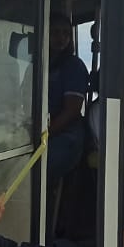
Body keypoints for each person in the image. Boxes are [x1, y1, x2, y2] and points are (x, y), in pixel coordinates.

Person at [45, 11, 91, 195]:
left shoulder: (74, 66)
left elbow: (72, 110)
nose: (61, 38)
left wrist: (45, 134)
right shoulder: (41, 64)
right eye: (55, 32)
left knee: (39, 164)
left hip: (66, 136)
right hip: (44, 132)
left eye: (65, 33)